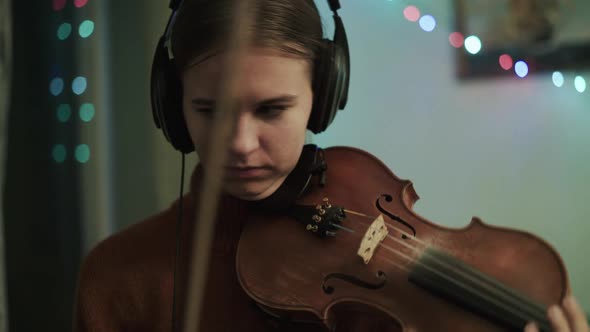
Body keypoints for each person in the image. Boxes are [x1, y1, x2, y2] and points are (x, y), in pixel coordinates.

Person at [73, 0, 589, 331]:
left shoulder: (375, 271)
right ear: (173, 106)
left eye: (272, 109)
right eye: (209, 111)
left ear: (323, 99)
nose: (241, 144)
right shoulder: (118, 277)